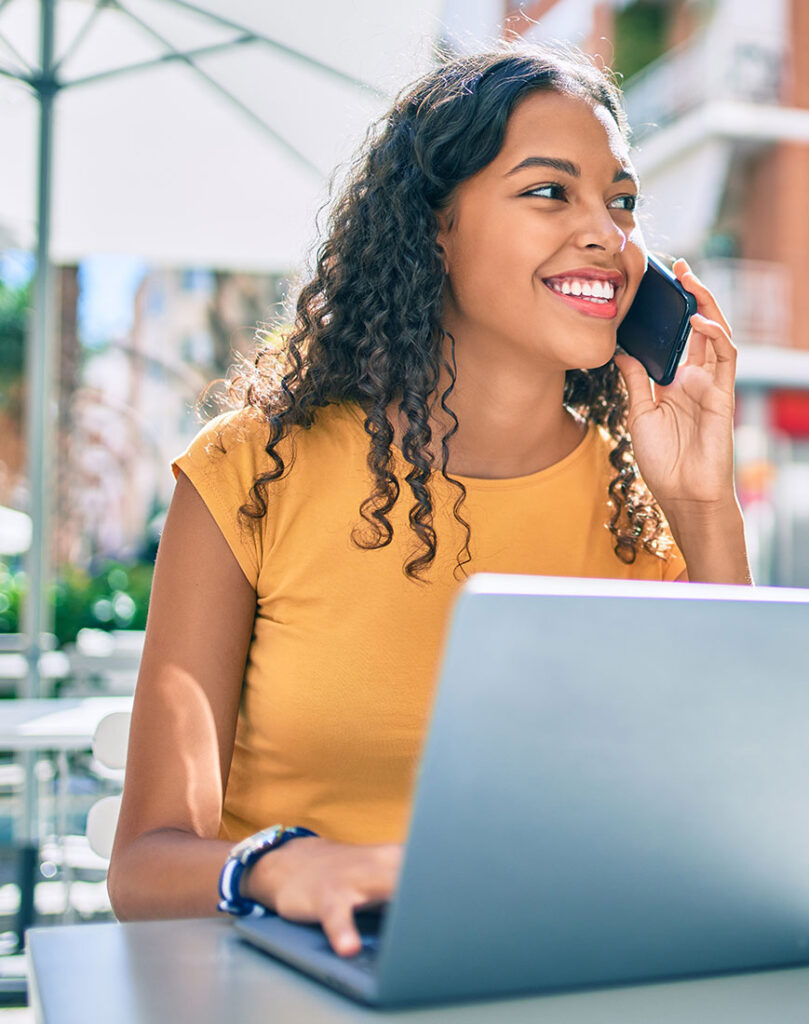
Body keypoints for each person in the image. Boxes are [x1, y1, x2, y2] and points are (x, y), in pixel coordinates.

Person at [106, 43, 752, 956]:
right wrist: (286, 868)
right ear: (433, 228)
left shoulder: (642, 509)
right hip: (298, 979)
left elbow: (731, 827)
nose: (608, 235)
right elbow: (143, 865)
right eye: (548, 191)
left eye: (623, 200)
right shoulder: (252, 473)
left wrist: (704, 507)